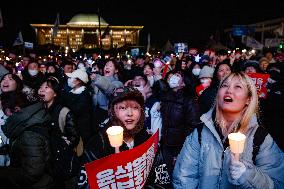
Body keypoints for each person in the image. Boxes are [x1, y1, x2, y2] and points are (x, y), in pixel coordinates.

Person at [173, 72, 284, 189]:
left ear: (248, 99)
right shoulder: (200, 133)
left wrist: (248, 175)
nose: (229, 91)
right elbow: (183, 177)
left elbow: (277, 184)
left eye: (238, 87)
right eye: (224, 85)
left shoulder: (260, 138)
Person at [78, 86, 150, 188]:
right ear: (113, 111)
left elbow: (159, 181)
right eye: (122, 108)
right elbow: (85, 184)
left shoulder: (147, 139)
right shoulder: (98, 143)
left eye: (135, 108)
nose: (130, 114)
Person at [0, 93, 53, 189]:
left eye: (5, 110)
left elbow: (32, 173)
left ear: (16, 109)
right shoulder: (28, 124)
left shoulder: (29, 134)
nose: (4, 114)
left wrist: (3, 172)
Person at [38, 76, 80, 189]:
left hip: (60, 162)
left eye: (47, 87)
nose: (42, 89)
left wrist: (63, 143)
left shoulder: (63, 112)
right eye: (41, 87)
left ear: (55, 93)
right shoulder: (37, 110)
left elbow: (74, 138)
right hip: (42, 161)